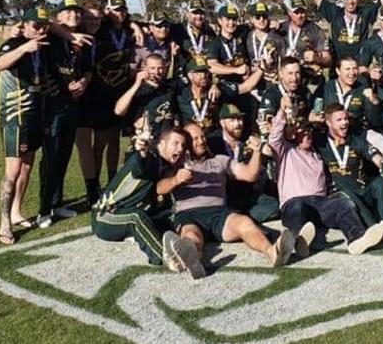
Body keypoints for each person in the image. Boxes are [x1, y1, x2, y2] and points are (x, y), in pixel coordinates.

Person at [269, 95, 383, 256]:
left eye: (309, 130)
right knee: (298, 207)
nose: (307, 134)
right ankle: (299, 241)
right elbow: (274, 137)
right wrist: (282, 111)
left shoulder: (317, 152)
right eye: (302, 131)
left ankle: (356, 239)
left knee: (343, 205)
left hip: (320, 203)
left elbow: (366, 149)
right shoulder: (285, 150)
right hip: (294, 202)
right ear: (292, 134)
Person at [163, 123, 296, 279]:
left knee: (244, 223)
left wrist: (257, 151)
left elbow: (249, 174)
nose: (201, 141)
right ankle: (195, 262)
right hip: (189, 215)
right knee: (192, 236)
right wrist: (175, 180)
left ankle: (272, 252)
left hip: (219, 214)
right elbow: (160, 187)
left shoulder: (219, 161)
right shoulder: (176, 165)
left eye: (202, 136)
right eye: (195, 138)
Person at [91, 124, 194, 273]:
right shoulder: (151, 158)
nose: (180, 148)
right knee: (135, 218)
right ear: (162, 143)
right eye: (176, 143)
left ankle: (189, 245)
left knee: (168, 215)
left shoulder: (164, 166)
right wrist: (142, 150)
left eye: (183, 145)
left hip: (130, 211)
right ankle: (164, 256)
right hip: (105, 216)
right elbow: (140, 164)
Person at [0, 8, 50, 244]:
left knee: (27, 166)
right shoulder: (14, 43)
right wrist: (24, 47)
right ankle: (4, 223)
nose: (40, 29)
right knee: (13, 169)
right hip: (15, 114)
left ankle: (16, 211)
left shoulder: (43, 45)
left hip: (35, 112)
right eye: (35, 25)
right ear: (25, 25)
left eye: (43, 25)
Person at [37, 0, 92, 228]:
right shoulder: (51, 35)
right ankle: (43, 209)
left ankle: (57, 202)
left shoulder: (84, 40)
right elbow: (45, 22)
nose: (73, 14)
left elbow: (88, 69)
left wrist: (84, 83)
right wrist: (68, 35)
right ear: (59, 16)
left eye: (77, 11)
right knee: (50, 156)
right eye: (67, 11)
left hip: (73, 104)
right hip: (53, 105)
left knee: (64, 155)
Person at [314, 103, 383, 231]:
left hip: (361, 191)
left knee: (380, 181)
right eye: (339, 120)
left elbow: (375, 156)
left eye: (345, 119)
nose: (344, 123)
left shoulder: (356, 139)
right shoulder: (320, 142)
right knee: (345, 192)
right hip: (338, 196)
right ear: (328, 123)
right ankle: (374, 228)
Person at [86, 0, 136, 186]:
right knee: (99, 142)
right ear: (109, 11)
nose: (119, 14)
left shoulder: (128, 30)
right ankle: (95, 182)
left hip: (120, 92)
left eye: (122, 10)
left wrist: (136, 26)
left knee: (115, 140)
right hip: (100, 92)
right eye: (115, 10)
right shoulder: (101, 28)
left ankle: (112, 181)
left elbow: (137, 22)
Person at [208, 104, 279, 223]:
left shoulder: (248, 140)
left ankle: (241, 219)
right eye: (232, 120)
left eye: (240, 119)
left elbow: (271, 153)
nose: (238, 124)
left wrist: (264, 140)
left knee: (273, 205)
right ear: (222, 123)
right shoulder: (213, 143)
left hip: (247, 193)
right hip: (225, 194)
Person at [75, 3, 104, 206]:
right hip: (78, 97)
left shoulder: (104, 34)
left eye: (97, 19)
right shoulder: (73, 36)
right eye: (90, 18)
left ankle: (97, 186)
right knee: (83, 143)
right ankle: (91, 189)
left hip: (100, 96)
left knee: (100, 144)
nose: (93, 22)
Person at [316, 56, 381, 132]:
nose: (352, 73)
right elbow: (314, 112)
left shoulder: (363, 89)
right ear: (338, 71)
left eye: (355, 69)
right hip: (329, 133)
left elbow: (374, 121)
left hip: (356, 133)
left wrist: (374, 102)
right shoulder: (326, 88)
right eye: (348, 69)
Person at [277, 0, 331, 87]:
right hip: (287, 82)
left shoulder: (315, 30)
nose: (300, 15)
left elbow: (328, 60)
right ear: (289, 13)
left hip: (310, 81)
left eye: (302, 12)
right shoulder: (280, 28)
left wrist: (316, 58)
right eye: (296, 12)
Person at [170, 0, 215, 77]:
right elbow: (156, 26)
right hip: (183, 76)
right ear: (187, 14)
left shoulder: (210, 32)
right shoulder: (177, 29)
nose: (198, 16)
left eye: (201, 13)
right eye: (195, 13)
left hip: (204, 76)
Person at [207, 4, 250, 83]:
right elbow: (212, 66)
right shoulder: (215, 43)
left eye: (234, 19)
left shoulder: (243, 33)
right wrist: (236, 70)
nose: (231, 23)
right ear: (220, 21)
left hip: (245, 82)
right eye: (228, 19)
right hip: (225, 84)